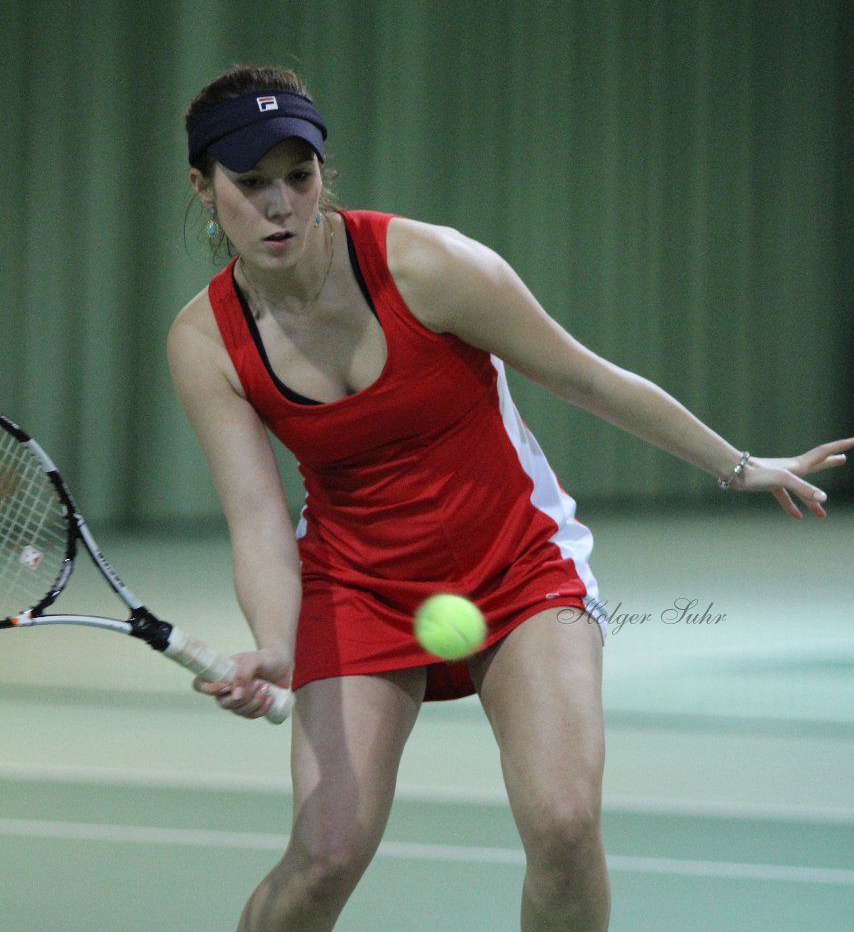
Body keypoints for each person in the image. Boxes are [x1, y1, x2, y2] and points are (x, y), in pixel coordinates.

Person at [168, 64, 852, 932]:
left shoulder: (430, 267)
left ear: (322, 176)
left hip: (521, 565)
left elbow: (586, 379)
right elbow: (261, 522)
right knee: (322, 859)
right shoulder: (205, 341)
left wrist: (737, 463)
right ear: (203, 186)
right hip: (359, 583)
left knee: (564, 827)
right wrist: (274, 646)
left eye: (297, 177)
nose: (279, 205)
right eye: (250, 182)